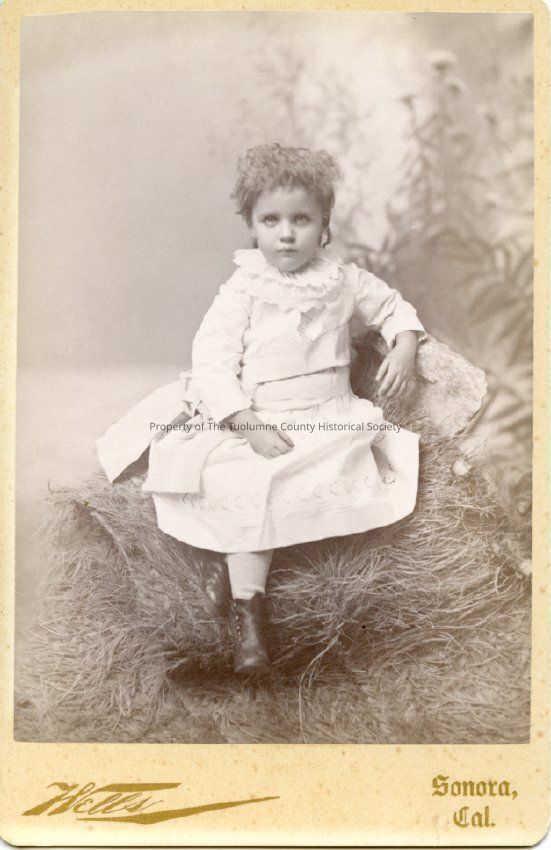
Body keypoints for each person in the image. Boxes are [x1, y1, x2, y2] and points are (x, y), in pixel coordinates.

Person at [97, 143, 426, 677]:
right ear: (252, 226)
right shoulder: (242, 290)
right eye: (271, 220)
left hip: (327, 415)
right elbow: (211, 363)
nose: (286, 234)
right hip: (258, 413)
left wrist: (405, 345)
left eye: (301, 219)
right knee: (241, 477)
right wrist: (247, 424)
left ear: (324, 226)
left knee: (313, 475)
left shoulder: (343, 281)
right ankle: (248, 616)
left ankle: (226, 567)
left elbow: (392, 306)